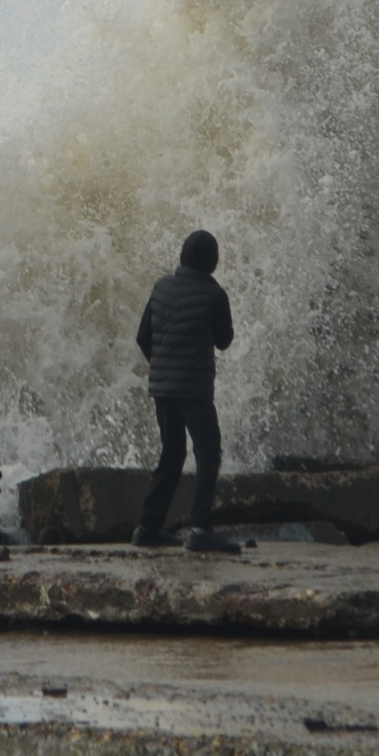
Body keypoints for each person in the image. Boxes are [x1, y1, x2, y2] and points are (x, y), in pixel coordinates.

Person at [131, 229, 241, 554]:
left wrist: (163, 365)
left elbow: (142, 336)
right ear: (213, 262)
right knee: (208, 452)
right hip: (193, 388)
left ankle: (148, 526)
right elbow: (223, 340)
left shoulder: (161, 287)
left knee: (172, 452)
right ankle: (200, 529)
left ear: (182, 257)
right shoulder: (214, 295)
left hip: (163, 388)